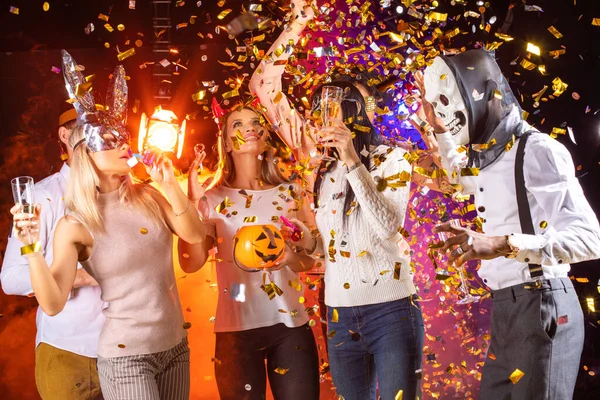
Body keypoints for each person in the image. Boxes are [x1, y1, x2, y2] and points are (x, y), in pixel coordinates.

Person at [249, 2, 425, 399]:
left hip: (392, 309)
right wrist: (299, 21)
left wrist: (351, 161)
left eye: (354, 102)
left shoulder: (392, 158)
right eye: (329, 105)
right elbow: (264, 87)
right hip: (340, 312)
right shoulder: (316, 156)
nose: (335, 116)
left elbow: (387, 225)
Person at [10, 50, 207, 400]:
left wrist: (172, 185)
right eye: (109, 139)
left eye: (123, 136)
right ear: (83, 149)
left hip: (173, 346)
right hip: (106, 353)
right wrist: (31, 247)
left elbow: (194, 236)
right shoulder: (68, 217)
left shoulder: (150, 196)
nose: (122, 144)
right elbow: (49, 300)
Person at [415, 49, 600, 399]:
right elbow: (459, 179)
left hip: (542, 302)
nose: (441, 110)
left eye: (445, 99)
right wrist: (439, 130)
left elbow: (591, 239)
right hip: (506, 308)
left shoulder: (537, 149)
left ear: (479, 91)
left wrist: (501, 243)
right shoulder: (488, 155)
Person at [177, 102, 320, 400]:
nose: (249, 128)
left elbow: (311, 259)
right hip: (236, 331)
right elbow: (190, 263)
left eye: (256, 122)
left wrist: (289, 259)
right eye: (237, 125)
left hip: (290, 326)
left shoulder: (291, 193)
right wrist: (192, 203)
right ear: (227, 143)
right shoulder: (212, 197)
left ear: (266, 136)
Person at [1, 105, 105, 400]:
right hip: (68, 353)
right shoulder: (41, 196)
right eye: (85, 128)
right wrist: (78, 276)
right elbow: (11, 278)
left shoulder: (117, 195)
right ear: (64, 135)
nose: (94, 137)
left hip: (123, 351)